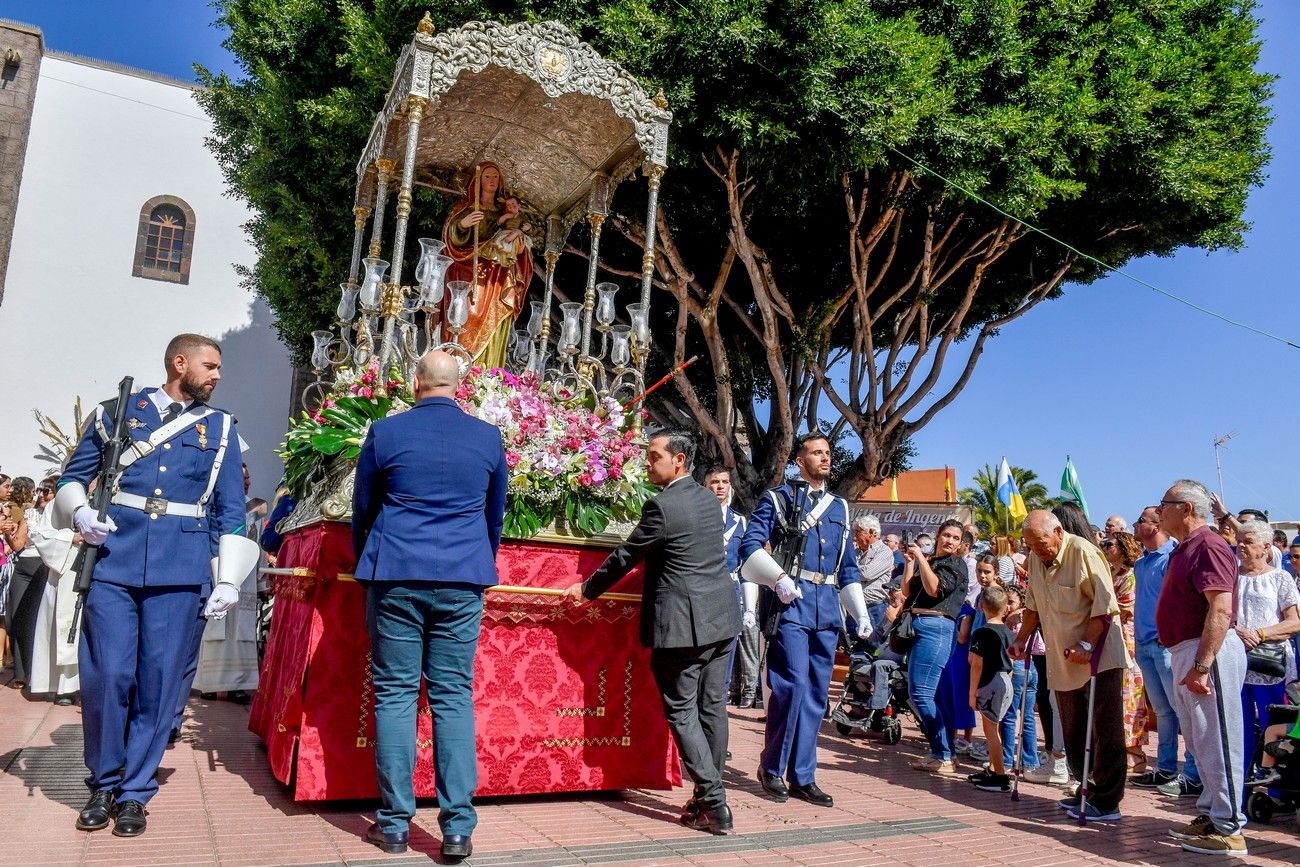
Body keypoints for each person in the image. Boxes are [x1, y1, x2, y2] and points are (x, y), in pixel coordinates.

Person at [55, 333, 253, 838]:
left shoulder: (222, 429)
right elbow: (71, 479)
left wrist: (227, 578)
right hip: (113, 561)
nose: (217, 375)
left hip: (181, 569)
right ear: (179, 363)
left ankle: (135, 791)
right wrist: (79, 510)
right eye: (210, 366)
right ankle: (102, 782)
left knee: (160, 685)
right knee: (107, 678)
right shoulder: (116, 412)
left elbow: (230, 510)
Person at [351, 350, 506, 861]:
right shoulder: (487, 437)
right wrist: (474, 561)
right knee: (453, 696)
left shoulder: (386, 432)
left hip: (396, 569)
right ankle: (458, 828)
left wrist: (369, 560)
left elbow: (365, 507)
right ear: (459, 386)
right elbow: (494, 515)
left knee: (395, 693)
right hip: (463, 574)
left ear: (416, 382)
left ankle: (394, 824)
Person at [564, 432, 742, 835]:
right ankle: (709, 799)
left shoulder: (662, 506)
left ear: (678, 460)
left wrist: (587, 589)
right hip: (720, 619)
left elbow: (627, 556)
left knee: (682, 711)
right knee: (711, 708)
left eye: (654, 456)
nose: (647, 462)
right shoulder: (708, 501)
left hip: (683, 626)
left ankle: (713, 801)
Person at [738, 433, 868, 807]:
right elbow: (750, 546)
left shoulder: (840, 507)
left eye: (827, 452)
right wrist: (777, 578)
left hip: (826, 607)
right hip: (791, 604)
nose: (825, 458)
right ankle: (773, 768)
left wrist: (858, 611)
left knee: (814, 696)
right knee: (791, 686)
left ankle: (803, 775)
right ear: (800, 459)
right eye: (816, 452)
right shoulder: (778, 498)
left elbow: (847, 565)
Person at [1010, 510, 1130, 821]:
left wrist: (1087, 644)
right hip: (1062, 658)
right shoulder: (1036, 558)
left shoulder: (1084, 552)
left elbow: (1105, 608)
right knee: (1073, 728)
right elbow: (1032, 606)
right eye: (1031, 546)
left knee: (1106, 729)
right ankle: (1085, 786)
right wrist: (1022, 639)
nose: (1037, 551)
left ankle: (1107, 801)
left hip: (1097, 655)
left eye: (1042, 544)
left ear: (1059, 532)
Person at [1155, 479, 1248, 857]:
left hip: (1205, 650)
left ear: (1186, 508)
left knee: (1217, 740)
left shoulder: (1209, 545)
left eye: (1164, 503)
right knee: (1198, 742)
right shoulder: (1184, 549)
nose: (1159, 510)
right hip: (1186, 650)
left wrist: (1203, 664)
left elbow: (1221, 608)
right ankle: (1213, 815)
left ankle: (1230, 829)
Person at [1129, 505, 1202, 796]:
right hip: (1144, 644)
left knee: (1181, 709)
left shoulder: (1173, 557)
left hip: (1165, 644)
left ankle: (1193, 774)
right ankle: (1166, 768)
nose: (1135, 525)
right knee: (1161, 710)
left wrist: (1166, 634)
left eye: (1141, 520)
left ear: (1157, 525)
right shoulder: (1141, 562)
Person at [441, 161, 535, 365]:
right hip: (471, 271)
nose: (492, 181)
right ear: (479, 181)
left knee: (496, 320)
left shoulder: (506, 212)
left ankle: (490, 372)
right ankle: (460, 366)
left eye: (495, 177)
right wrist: (463, 225)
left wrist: (520, 243)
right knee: (468, 316)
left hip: (499, 277)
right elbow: (450, 238)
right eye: (487, 176)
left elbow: (521, 240)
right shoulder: (466, 207)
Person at [1231, 519, 1299, 783]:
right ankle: (1241, 781)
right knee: (1240, 725)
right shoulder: (1232, 576)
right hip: (1237, 660)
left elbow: (1294, 622)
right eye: (1239, 541)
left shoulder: (1280, 578)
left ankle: (1274, 783)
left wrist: (1259, 634)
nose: (1241, 546)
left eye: (1248, 541)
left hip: (1270, 664)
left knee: (1273, 722)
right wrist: (1237, 631)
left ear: (1266, 546)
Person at [900, 519, 968, 775]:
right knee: (929, 695)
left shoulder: (956, 565)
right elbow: (908, 591)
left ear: (961, 544)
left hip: (936, 628)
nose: (949, 541)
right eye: (946, 535)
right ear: (938, 536)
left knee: (921, 694)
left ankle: (943, 755)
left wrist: (920, 557)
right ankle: (943, 751)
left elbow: (934, 588)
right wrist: (910, 563)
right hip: (919, 626)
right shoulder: (933, 562)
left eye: (955, 538)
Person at [192, 462, 262, 701]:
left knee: (240, 631)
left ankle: (239, 685)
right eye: (243, 477)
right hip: (219, 571)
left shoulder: (256, 507)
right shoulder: (216, 503)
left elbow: (258, 544)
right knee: (215, 626)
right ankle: (209, 684)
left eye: (248, 477)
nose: (247, 482)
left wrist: (261, 581)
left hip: (247, 578)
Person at [27, 475, 80, 702]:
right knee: (65, 624)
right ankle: (64, 687)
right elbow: (39, 534)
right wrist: (72, 538)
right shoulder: (58, 504)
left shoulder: (110, 498)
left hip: (104, 571)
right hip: (66, 569)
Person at [704, 466, 754, 709]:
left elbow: (746, 567)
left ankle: (718, 708)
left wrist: (749, 607)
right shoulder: (696, 517)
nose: (720, 486)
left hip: (730, 592)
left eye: (724, 482)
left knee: (726, 655)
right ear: (706, 486)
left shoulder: (740, 522)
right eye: (714, 482)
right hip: (702, 591)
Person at [1102, 532, 1150, 775]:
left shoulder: (1129, 576)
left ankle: (1136, 751)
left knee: (1130, 694)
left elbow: (1127, 608)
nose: (1105, 547)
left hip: (1126, 638)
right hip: (1110, 636)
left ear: (1122, 548)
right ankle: (1119, 747)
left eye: (1109, 544)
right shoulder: (1110, 573)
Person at [967, 585, 1016, 793]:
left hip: (990, 682)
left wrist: (972, 693)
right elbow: (1011, 661)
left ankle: (1000, 775)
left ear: (981, 606)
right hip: (1005, 680)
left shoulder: (982, 632)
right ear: (1005, 609)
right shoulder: (1008, 632)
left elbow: (977, 664)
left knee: (990, 732)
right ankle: (995, 768)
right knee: (993, 729)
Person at [1, 477, 42, 692]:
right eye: (39, 490)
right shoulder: (29, 514)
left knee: (38, 621)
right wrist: (8, 534)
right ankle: (20, 673)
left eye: (46, 491)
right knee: (16, 617)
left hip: (44, 568)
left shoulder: (57, 515)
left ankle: (40, 673)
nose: (42, 495)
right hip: (23, 566)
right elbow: (18, 545)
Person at [852, 515, 894, 637]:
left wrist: (850, 569)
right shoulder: (856, 552)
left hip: (874, 608)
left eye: (859, 532)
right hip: (855, 607)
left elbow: (866, 573)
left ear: (871, 532)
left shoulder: (884, 551)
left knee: (871, 646)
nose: (855, 536)